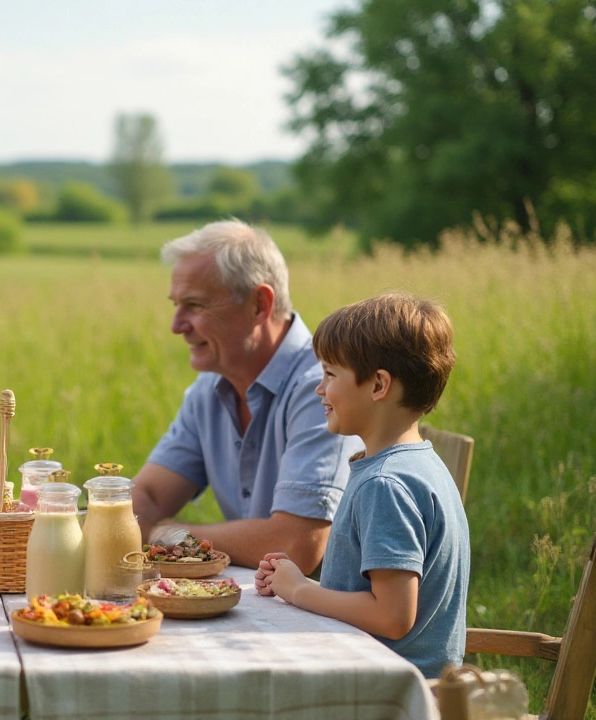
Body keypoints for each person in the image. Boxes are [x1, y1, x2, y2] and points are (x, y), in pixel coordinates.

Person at [254, 293, 470, 678]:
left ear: (378, 385)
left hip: (388, 694)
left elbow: (392, 616)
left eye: (330, 375)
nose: (319, 389)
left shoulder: (386, 484)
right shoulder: (420, 465)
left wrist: (301, 591)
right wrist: (297, 580)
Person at [131, 219, 361, 573]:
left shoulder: (321, 388)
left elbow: (295, 546)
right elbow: (148, 497)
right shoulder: (209, 391)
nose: (176, 325)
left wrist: (168, 533)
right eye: (176, 305)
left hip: (333, 624)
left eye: (194, 305)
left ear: (259, 304)